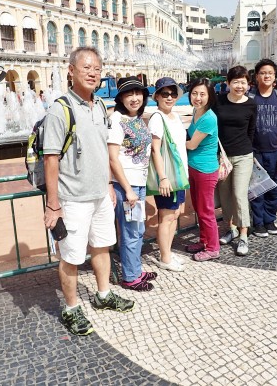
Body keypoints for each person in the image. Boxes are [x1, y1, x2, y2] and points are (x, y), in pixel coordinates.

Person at [42, 47, 134, 336]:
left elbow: (102, 151)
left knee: (102, 246)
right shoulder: (60, 109)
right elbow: (51, 158)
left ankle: (103, 294)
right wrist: (53, 204)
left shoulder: (101, 107)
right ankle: (70, 308)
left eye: (97, 68)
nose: (93, 73)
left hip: (99, 195)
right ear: (71, 71)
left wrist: (108, 184)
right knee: (70, 256)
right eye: (86, 68)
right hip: (72, 200)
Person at [108, 77, 157, 291]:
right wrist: (127, 189)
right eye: (129, 94)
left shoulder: (135, 118)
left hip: (138, 182)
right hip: (125, 184)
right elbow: (112, 157)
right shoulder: (117, 119)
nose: (135, 98)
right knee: (130, 231)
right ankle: (130, 277)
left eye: (138, 93)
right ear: (121, 98)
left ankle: (135, 269)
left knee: (137, 229)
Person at [213, 65, 256, 256]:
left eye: (243, 82)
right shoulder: (218, 101)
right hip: (222, 156)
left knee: (239, 194)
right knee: (225, 195)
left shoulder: (251, 104)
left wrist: (248, 150)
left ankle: (244, 235)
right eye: (236, 82)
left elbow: (252, 131)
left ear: (248, 84)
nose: (240, 86)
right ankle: (231, 229)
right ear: (228, 83)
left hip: (243, 155)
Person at [148, 77, 189, 271]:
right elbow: (155, 149)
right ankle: (165, 258)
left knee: (176, 214)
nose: (170, 97)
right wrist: (162, 177)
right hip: (168, 177)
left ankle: (168, 252)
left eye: (173, 93)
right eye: (165, 94)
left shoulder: (175, 116)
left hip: (179, 174)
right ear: (157, 96)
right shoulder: (157, 118)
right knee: (166, 216)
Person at [249, 59, 277, 239]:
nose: (267, 76)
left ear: (274, 76)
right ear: (257, 76)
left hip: (275, 152)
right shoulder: (250, 98)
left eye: (270, 73)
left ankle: (270, 220)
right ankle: (258, 223)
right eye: (263, 73)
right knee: (257, 189)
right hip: (255, 152)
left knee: (274, 188)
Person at [184, 78, 220, 261]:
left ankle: (213, 248)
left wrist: (172, 141)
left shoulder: (209, 117)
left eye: (202, 94)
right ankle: (204, 240)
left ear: (209, 96)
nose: (197, 97)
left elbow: (191, 145)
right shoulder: (196, 111)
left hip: (206, 170)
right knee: (199, 208)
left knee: (206, 210)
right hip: (194, 167)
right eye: (194, 93)